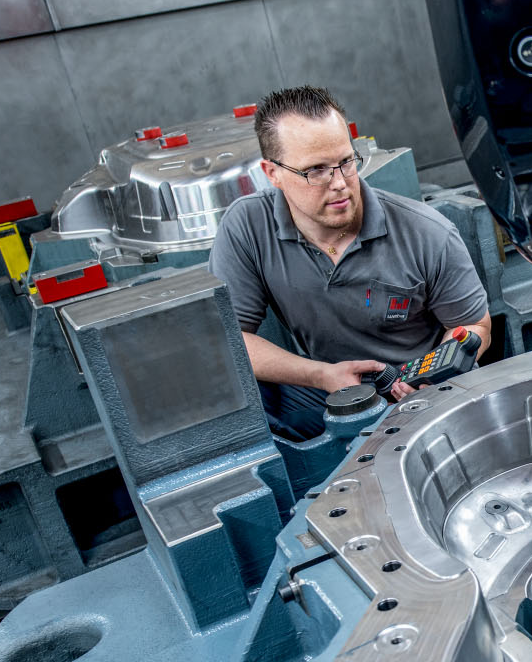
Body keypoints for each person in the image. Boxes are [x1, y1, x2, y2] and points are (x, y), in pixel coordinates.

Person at [209, 85, 491, 440]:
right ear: (272, 172)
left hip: (421, 392)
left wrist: (432, 379)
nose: (340, 183)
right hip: (326, 387)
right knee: (235, 403)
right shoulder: (248, 226)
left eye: (346, 162)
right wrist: (319, 375)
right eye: (316, 170)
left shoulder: (427, 233)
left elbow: (475, 326)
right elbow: (228, 341)